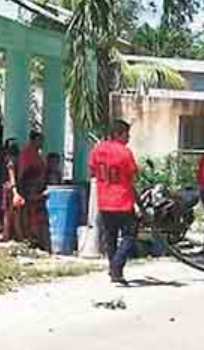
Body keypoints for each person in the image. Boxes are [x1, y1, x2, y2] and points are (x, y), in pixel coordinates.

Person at [89, 120, 139, 285]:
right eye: (126, 134)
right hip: (123, 201)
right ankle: (117, 266)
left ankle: (114, 271)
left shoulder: (97, 149)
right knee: (129, 236)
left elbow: (92, 171)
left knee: (110, 238)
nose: (128, 138)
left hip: (104, 202)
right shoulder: (125, 152)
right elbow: (133, 175)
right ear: (118, 134)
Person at [18, 131, 50, 250]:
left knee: (38, 216)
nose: (42, 143)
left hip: (37, 188)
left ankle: (37, 239)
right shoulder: (28, 153)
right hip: (30, 188)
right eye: (40, 140)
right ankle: (31, 238)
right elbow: (23, 172)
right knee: (31, 216)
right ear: (34, 140)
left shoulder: (36, 154)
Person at [1, 139, 25, 242]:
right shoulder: (12, 163)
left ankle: (8, 235)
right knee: (14, 214)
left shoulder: (9, 162)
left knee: (9, 214)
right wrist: (16, 193)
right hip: (11, 190)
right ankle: (16, 235)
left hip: (7, 189)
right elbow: (12, 178)